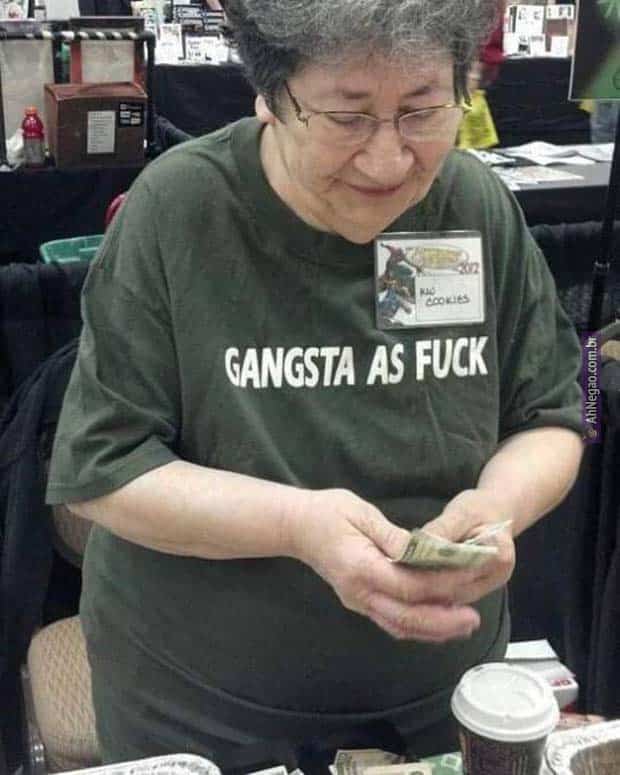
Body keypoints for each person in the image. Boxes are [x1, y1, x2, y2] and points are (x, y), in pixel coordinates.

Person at [46, 0, 584, 769]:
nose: (388, 161)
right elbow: (102, 469)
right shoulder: (181, 212)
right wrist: (298, 525)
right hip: (205, 712)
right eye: (347, 117)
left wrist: (499, 506)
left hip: (443, 701)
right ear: (269, 97)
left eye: (423, 110)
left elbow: (554, 415)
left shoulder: (473, 205)